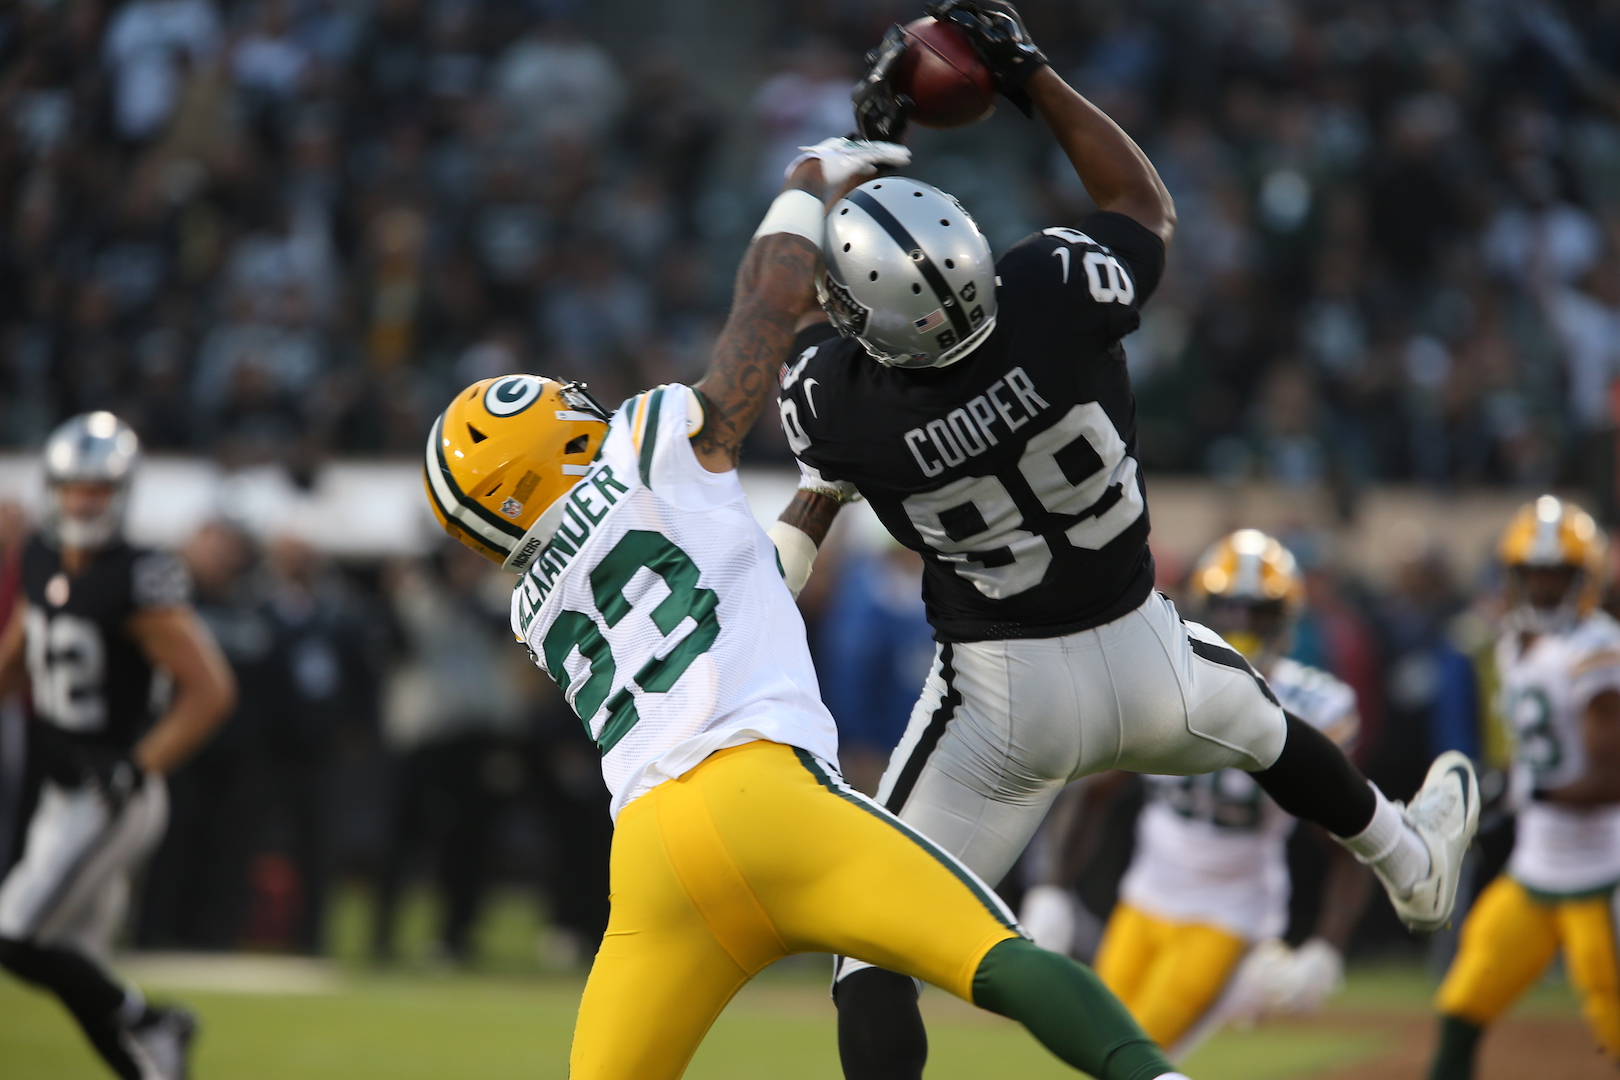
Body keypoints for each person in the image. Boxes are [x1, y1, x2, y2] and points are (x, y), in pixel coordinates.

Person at [766, 4, 1479, 1074]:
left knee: (869, 953)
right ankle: (1407, 858)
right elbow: (1141, 204)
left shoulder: (839, 407)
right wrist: (1028, 73)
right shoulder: (1052, 293)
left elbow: (810, 320)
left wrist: (856, 155)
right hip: (1144, 650)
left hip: (998, 703)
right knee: (1269, 728)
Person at [424, 140, 1191, 1080]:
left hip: (654, 860)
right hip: (765, 799)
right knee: (991, 956)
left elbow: (723, 573)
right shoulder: (645, 447)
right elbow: (768, 304)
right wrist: (806, 185)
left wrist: (809, 507)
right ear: (548, 446)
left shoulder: (531, 604)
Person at [1021, 530, 1373, 1060]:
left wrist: (1327, 945)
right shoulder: (1160, 683)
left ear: (1286, 618)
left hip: (1230, 913)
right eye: (1229, 609)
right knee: (1099, 1052)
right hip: (1145, 897)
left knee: (1130, 1056)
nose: (1242, 625)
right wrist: (1051, 889)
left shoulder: (1312, 706)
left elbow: (1351, 835)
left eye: (1258, 612)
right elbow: (1092, 792)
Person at [0, 413, 236, 1080]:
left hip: (106, 794)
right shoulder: (41, 555)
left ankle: (154, 1020)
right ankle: (151, 1063)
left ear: (122, 493)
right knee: (76, 966)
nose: (84, 502)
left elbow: (210, 691)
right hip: (59, 791)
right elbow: (21, 650)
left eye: (98, 489)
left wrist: (138, 767)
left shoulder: (139, 575)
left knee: (14, 936)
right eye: (73, 487)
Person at [1427, 496, 1620, 1079]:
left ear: (1583, 578)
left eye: (1556, 573)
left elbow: (1613, 776)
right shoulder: (1512, 643)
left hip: (1601, 876)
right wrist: (1501, 786)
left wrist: (1528, 792)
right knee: (1462, 1004)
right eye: (1532, 572)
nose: (1542, 586)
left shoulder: (1596, 648)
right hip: (1535, 871)